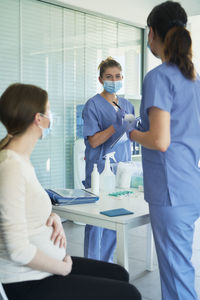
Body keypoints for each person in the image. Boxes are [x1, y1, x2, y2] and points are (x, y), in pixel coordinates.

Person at [0, 83, 141, 300]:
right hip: (26, 280)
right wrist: (62, 267)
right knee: (127, 294)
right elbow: (18, 250)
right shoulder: (11, 166)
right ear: (38, 119)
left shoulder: (20, 160)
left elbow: (22, 209)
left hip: (43, 267)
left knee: (119, 273)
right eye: (48, 110)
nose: (51, 116)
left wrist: (52, 215)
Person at [128, 1, 200, 299]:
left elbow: (159, 140)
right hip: (189, 186)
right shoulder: (193, 81)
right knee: (180, 269)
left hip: (170, 192)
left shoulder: (158, 78)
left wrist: (132, 131)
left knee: (177, 278)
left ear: (153, 34)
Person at [82, 57, 135, 262]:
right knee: (96, 221)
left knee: (116, 217)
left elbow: (131, 135)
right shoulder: (92, 105)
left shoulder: (127, 105)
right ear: (100, 79)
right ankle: (92, 266)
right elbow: (93, 141)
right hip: (99, 170)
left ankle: (108, 263)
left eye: (118, 76)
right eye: (109, 77)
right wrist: (115, 126)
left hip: (121, 169)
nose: (114, 80)